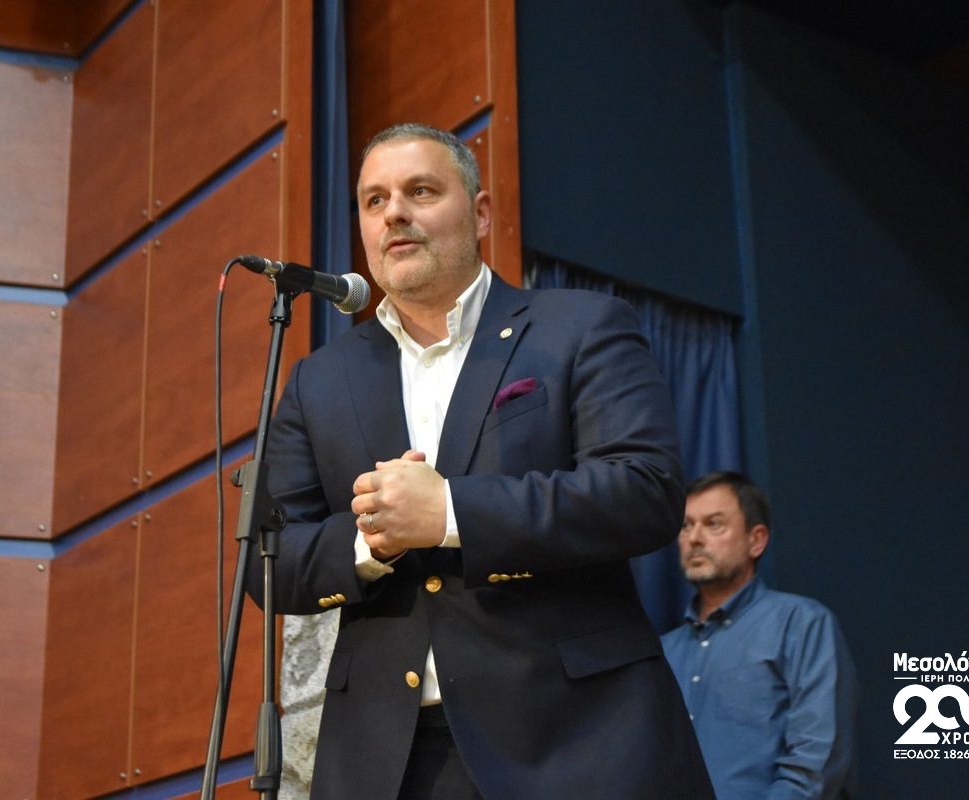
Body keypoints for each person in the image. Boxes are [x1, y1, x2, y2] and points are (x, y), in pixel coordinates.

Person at [247, 122, 713, 799]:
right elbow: (269, 562)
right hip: (385, 761)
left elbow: (644, 490)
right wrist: (373, 541)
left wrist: (449, 512)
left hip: (575, 739)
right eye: (374, 200)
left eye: (421, 191)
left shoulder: (581, 325)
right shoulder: (319, 380)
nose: (394, 213)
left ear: (481, 212)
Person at [661, 471, 857, 799]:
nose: (694, 538)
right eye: (686, 526)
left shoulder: (802, 624)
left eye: (713, 524)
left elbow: (816, 761)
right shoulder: (664, 650)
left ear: (756, 540)